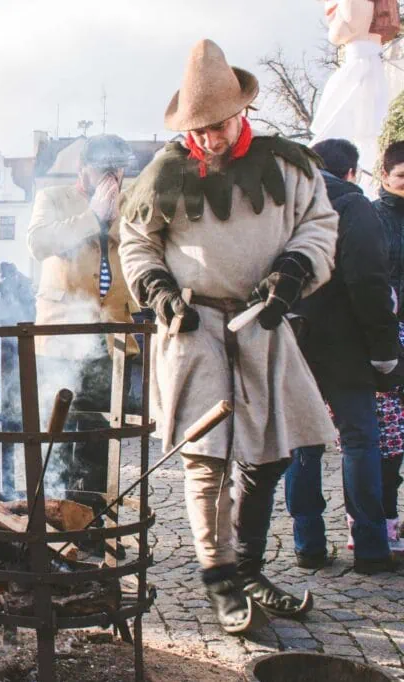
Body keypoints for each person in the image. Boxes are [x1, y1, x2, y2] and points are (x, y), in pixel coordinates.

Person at [120, 40, 338, 633]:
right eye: (199, 129)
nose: (209, 140)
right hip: (192, 326)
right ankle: (218, 576)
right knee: (206, 458)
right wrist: (160, 290)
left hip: (263, 320)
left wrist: (293, 272)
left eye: (218, 126)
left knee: (270, 455)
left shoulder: (289, 165)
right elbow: (136, 243)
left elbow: (319, 225)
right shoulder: (163, 171)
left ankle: (247, 566)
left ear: (243, 112)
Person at [286, 139, 401, 572]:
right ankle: (371, 549)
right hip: (347, 346)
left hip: (293, 343)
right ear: (351, 172)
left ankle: (308, 545)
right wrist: (385, 351)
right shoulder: (353, 205)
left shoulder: (281, 206)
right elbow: (369, 283)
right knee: (359, 442)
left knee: (303, 444)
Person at [27, 132, 142, 497]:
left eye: (118, 170)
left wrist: (115, 218)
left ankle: (91, 518)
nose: (112, 178)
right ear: (83, 169)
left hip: (113, 335)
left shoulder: (132, 202)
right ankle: (48, 517)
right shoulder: (53, 198)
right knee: (55, 431)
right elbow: (39, 244)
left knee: (100, 437)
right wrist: (93, 216)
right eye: (103, 169)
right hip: (62, 333)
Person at [373, 140, 404, 551]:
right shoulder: (375, 218)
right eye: (401, 177)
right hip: (390, 335)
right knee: (390, 439)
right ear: (385, 175)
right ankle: (386, 521)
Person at [0, 261, 37, 416]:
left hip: (18, 345)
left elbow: (31, 317)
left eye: (9, 276)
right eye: (2, 276)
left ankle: (16, 416)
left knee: (16, 381)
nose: (5, 280)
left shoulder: (24, 295)